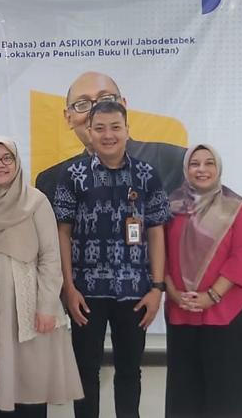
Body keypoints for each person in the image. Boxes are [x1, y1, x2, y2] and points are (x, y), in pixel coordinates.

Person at [0, 136, 84, 417]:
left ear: (17, 163)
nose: (0, 164)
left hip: (30, 313)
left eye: (7, 158)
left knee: (31, 388)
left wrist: (47, 306)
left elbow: (50, 258)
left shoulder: (36, 203)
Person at [53, 101, 171, 418]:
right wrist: (68, 288)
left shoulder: (147, 175)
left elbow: (157, 232)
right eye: (100, 128)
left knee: (130, 372)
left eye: (115, 127)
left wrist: (157, 288)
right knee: (85, 372)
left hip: (136, 291)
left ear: (127, 130)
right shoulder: (73, 175)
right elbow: (62, 233)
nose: (108, 135)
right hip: (86, 292)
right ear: (89, 132)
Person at [162, 144, 242, 418]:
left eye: (209, 163)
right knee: (185, 389)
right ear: (186, 169)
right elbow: (159, 253)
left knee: (228, 390)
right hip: (182, 309)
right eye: (195, 164)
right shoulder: (171, 207)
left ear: (218, 168)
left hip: (226, 311)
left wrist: (212, 295)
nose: (201, 169)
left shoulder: (236, 208)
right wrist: (172, 292)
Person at [35, 71, 186, 208]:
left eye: (106, 99)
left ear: (123, 107)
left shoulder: (174, 162)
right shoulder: (52, 182)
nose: (96, 112)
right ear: (68, 118)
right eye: (82, 104)